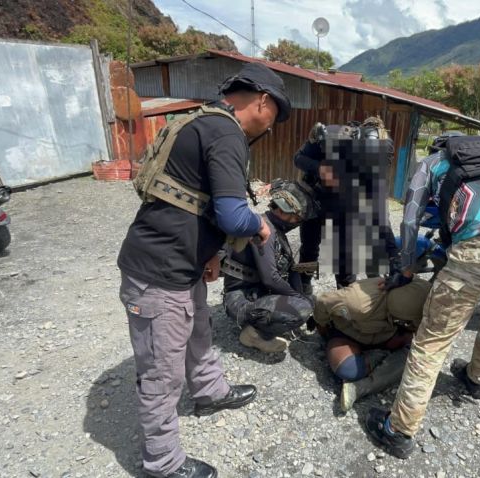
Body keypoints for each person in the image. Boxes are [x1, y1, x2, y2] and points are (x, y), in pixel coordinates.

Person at [117, 63, 291, 478]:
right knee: (161, 372)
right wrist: (260, 224)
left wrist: (210, 251)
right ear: (263, 101)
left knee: (198, 330)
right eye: (276, 117)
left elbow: (194, 198)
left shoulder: (205, 123)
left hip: (184, 262)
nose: (271, 127)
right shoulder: (227, 132)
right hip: (158, 271)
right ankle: (161, 463)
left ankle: (210, 391)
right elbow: (233, 215)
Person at [364, 135, 480, 459]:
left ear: (439, 150)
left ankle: (399, 430)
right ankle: (476, 379)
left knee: (433, 339)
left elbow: (410, 219)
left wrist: (406, 269)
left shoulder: (431, 164)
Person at [294, 118, 399, 292]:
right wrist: (320, 169)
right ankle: (302, 286)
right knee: (309, 249)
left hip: (344, 207)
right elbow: (298, 158)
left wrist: (395, 257)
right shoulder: (329, 135)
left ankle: (345, 296)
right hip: (315, 198)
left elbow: (382, 217)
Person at [222, 180, 316, 353]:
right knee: (301, 308)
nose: (296, 222)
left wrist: (302, 296)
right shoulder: (265, 230)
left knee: (308, 302)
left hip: (256, 293)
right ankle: (254, 335)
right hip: (240, 299)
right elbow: (270, 278)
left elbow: (289, 268)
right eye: (296, 218)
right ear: (284, 212)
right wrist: (299, 299)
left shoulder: (274, 229)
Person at [312, 277, 431, 411]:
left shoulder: (419, 296)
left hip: (386, 335)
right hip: (347, 335)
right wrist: (323, 332)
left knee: (417, 353)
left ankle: (362, 387)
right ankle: (379, 358)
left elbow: (417, 328)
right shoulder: (359, 302)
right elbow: (323, 303)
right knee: (348, 370)